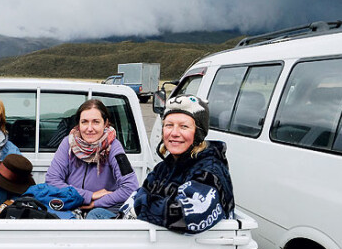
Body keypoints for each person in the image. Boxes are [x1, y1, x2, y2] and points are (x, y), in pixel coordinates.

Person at [119, 94, 234, 233]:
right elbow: (138, 195)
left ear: (198, 133)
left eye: (184, 126)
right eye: (169, 125)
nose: (174, 133)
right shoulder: (163, 168)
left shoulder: (210, 170)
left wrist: (140, 206)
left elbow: (186, 215)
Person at [45, 99, 138, 219]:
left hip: (104, 208)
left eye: (95, 122)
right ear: (78, 124)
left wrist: (95, 203)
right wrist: (90, 196)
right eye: (84, 122)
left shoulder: (114, 147)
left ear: (105, 123)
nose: (89, 128)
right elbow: (52, 180)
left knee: (94, 216)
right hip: (71, 203)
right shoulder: (67, 143)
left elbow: (130, 187)